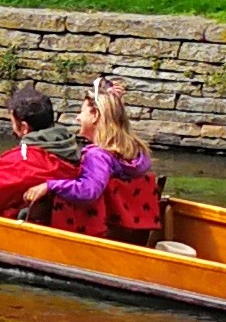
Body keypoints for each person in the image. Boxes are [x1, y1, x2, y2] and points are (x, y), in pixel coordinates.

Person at [18, 79, 165, 244]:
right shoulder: (137, 153)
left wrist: (50, 185)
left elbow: (88, 191)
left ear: (95, 115)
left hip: (90, 237)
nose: (77, 118)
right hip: (125, 232)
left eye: (82, 112)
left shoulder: (98, 156)